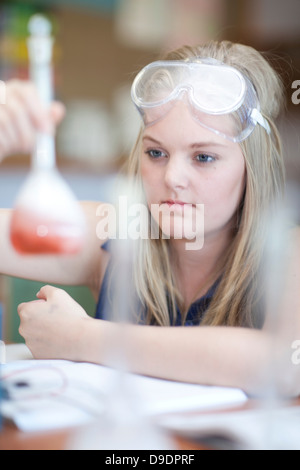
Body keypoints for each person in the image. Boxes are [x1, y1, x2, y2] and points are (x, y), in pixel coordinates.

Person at [0, 41, 299, 396]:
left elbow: (285, 363)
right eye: (156, 152)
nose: (172, 177)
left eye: (203, 157)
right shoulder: (111, 231)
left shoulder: (288, 253)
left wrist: (81, 338)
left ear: (253, 168)